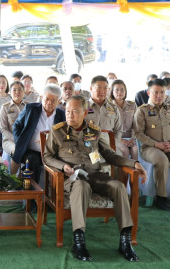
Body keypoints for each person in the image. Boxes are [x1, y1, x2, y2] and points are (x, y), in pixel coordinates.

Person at [43, 95, 146, 262]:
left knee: (119, 186)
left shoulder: (94, 131)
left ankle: (125, 241)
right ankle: (79, 242)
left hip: (95, 175)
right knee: (81, 186)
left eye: (75, 111)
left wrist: (134, 163)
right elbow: (47, 157)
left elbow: (110, 156)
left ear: (84, 113)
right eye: (68, 111)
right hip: (72, 178)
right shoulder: (57, 131)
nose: (70, 115)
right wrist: (63, 167)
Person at [12, 84, 65, 182]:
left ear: (58, 101)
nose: (49, 103)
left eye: (53, 100)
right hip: (31, 151)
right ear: (41, 97)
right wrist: (19, 141)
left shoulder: (62, 116)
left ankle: (53, 194)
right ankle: (32, 193)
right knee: (32, 160)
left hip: (51, 153)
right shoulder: (31, 109)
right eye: (47, 99)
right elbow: (16, 125)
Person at [134, 78, 170, 210]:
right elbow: (138, 134)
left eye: (162, 92)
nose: (159, 95)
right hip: (149, 148)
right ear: (149, 93)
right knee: (162, 160)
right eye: (156, 92)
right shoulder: (142, 111)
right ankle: (161, 198)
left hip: (168, 145)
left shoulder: (168, 108)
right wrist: (157, 145)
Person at [85, 75, 123, 154]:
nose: (102, 91)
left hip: (110, 147)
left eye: (105, 88)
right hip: (89, 148)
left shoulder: (113, 108)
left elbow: (118, 129)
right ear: (91, 88)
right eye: (99, 88)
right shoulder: (83, 107)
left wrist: (113, 144)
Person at [110, 80, 138, 160]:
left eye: (122, 89)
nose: (120, 92)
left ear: (125, 91)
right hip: (116, 138)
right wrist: (121, 140)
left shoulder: (132, 105)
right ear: (112, 92)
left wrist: (133, 138)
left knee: (136, 150)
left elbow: (136, 124)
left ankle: (135, 172)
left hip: (131, 137)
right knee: (124, 151)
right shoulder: (109, 107)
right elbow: (109, 127)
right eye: (117, 90)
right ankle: (124, 173)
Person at [0, 82, 27, 158]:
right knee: (17, 150)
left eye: (20, 90)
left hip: (26, 140)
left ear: (23, 92)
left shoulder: (28, 107)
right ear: (10, 92)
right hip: (9, 140)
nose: (17, 92)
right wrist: (15, 139)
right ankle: (13, 170)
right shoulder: (5, 107)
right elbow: (3, 128)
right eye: (14, 90)